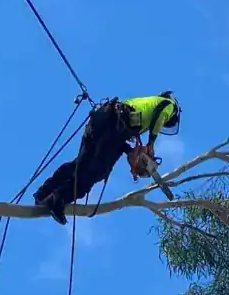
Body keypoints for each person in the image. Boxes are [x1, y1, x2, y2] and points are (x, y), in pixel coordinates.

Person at [33, 91, 182, 226]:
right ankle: (56, 199)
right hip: (113, 125)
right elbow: (159, 116)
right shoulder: (170, 106)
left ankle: (44, 193)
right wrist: (151, 143)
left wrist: (133, 155)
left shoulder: (143, 109)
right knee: (94, 172)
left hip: (104, 121)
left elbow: (123, 140)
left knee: (79, 165)